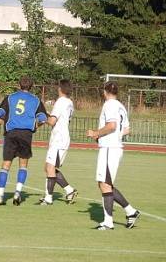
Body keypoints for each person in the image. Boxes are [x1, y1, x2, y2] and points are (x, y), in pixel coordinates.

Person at [0, 76, 48, 206]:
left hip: (11, 133)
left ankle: (1, 196)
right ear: (31, 86)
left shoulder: (10, 97)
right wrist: (36, 125)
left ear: (19, 85)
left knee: (6, 165)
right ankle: (17, 193)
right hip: (25, 134)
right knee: (23, 165)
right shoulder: (36, 100)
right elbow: (42, 118)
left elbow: (0, 113)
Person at [87, 81, 140, 230]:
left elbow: (112, 126)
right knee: (105, 184)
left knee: (104, 184)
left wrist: (96, 133)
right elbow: (126, 129)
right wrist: (114, 136)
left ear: (104, 92)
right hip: (113, 146)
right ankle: (131, 212)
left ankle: (108, 222)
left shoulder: (109, 105)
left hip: (110, 148)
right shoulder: (121, 106)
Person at [39, 79, 78, 205]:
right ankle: (69, 190)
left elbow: (52, 121)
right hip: (61, 137)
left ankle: (48, 198)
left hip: (59, 139)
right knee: (49, 167)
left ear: (60, 88)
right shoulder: (70, 102)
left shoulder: (61, 101)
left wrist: (43, 118)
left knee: (50, 167)